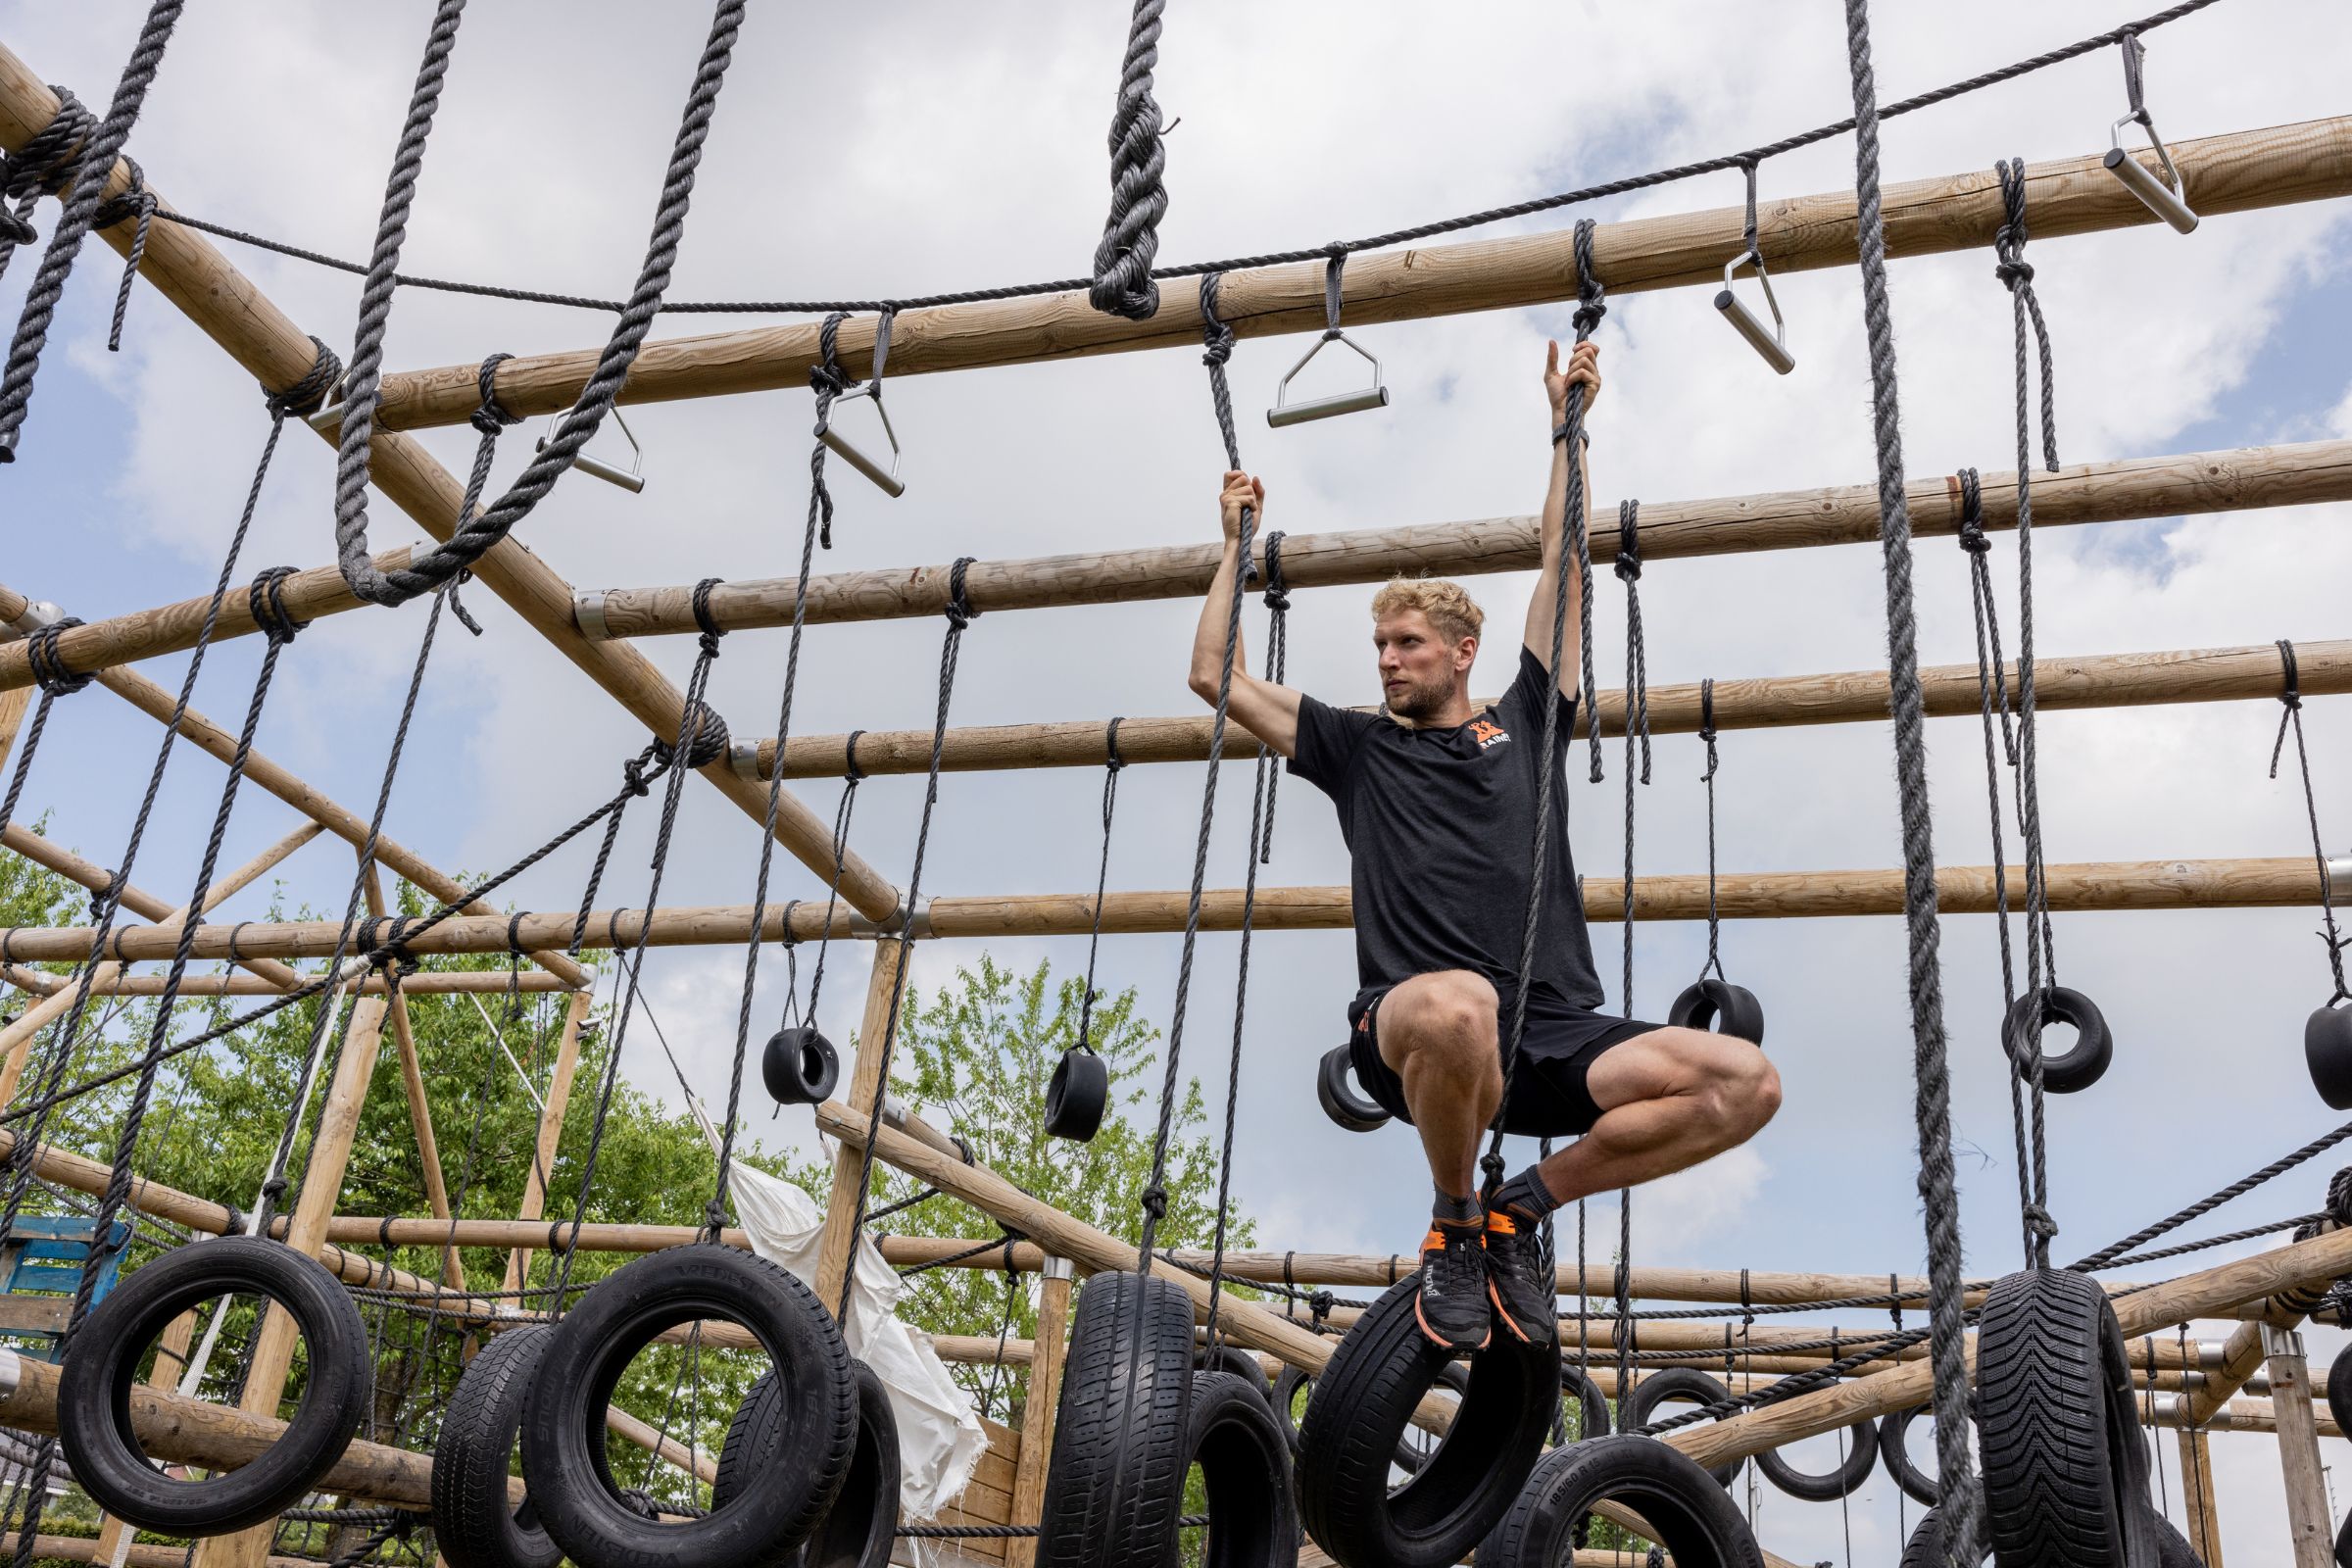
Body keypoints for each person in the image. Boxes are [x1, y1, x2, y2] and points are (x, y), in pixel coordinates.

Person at [1185, 339, 1781, 1352]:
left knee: (1743, 1081)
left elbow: (1563, 561)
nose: (1388, 660)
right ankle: (1454, 1222)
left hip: (1545, 1029)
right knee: (1461, 1001)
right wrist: (1234, 545)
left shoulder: (1530, 721)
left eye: (1407, 644)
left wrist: (1569, 428)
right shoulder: (1357, 746)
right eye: (1380, 646)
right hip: (1414, 1029)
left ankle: (1520, 1211)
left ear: (1463, 651)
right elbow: (1214, 677)